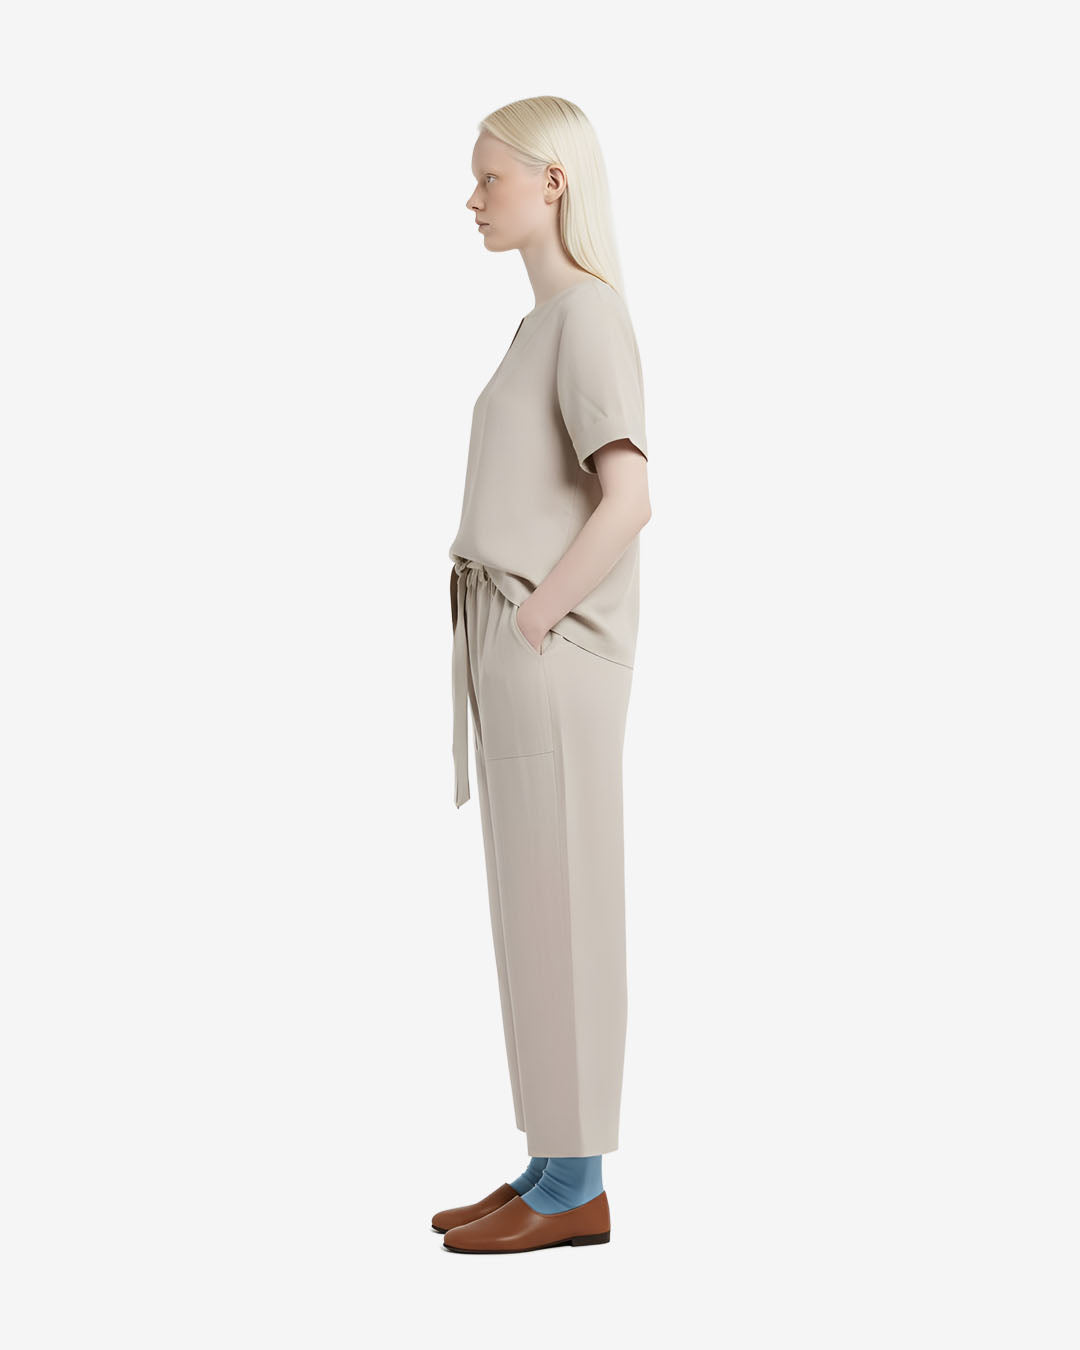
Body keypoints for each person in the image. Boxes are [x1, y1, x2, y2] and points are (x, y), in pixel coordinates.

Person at [435, 95, 652, 1255]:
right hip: (515, 644)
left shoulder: (589, 317)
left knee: (566, 899)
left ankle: (576, 1187)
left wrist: (537, 617)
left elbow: (630, 498)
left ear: (554, 182)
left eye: (491, 178)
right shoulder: (541, 324)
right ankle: (551, 1163)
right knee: (531, 904)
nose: (473, 199)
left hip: (549, 650)